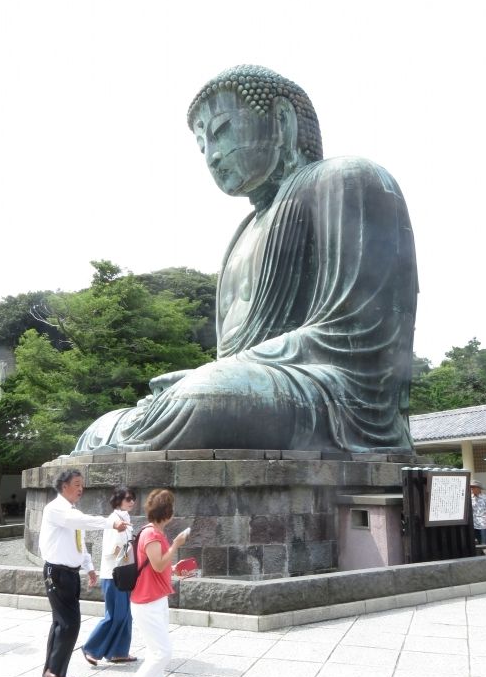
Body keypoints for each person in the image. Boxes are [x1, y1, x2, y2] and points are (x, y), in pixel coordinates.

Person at [73, 64, 417, 456]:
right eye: (202, 146)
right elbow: (233, 364)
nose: (213, 156)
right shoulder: (242, 234)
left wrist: (214, 379)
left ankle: (168, 417)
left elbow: (356, 333)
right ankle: (155, 423)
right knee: (101, 427)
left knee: (206, 399)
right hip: (253, 388)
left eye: (221, 132)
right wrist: (219, 376)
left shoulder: (348, 179)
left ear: (282, 121)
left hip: (336, 398)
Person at [39, 469, 128, 677]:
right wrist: (110, 523)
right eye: (77, 484)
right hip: (56, 573)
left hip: (69, 573)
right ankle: (53, 672)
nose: (81, 488)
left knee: (61, 623)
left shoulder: (71, 511)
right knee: (69, 624)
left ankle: (52, 672)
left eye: (82, 484)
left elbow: (79, 541)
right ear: (64, 486)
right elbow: (81, 522)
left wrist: (89, 568)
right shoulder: (56, 509)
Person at [114, 489, 188, 677]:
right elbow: (157, 564)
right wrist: (176, 545)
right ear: (168, 513)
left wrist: (174, 569)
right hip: (148, 602)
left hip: (153, 599)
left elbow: (158, 565)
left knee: (155, 652)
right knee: (163, 653)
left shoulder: (150, 532)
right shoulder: (153, 535)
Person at [82, 485, 137, 665]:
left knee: (126, 614)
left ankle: (119, 652)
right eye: (128, 499)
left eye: (132, 499)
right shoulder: (114, 520)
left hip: (124, 574)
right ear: (118, 500)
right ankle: (91, 648)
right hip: (113, 574)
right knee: (115, 615)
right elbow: (109, 552)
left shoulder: (126, 519)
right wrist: (126, 547)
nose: (132, 502)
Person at [470, 480, 486, 545]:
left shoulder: (485, 498)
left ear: (479, 488)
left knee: (484, 544)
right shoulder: (470, 498)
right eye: (471, 487)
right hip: (474, 525)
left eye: (473, 487)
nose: (472, 489)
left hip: (484, 525)